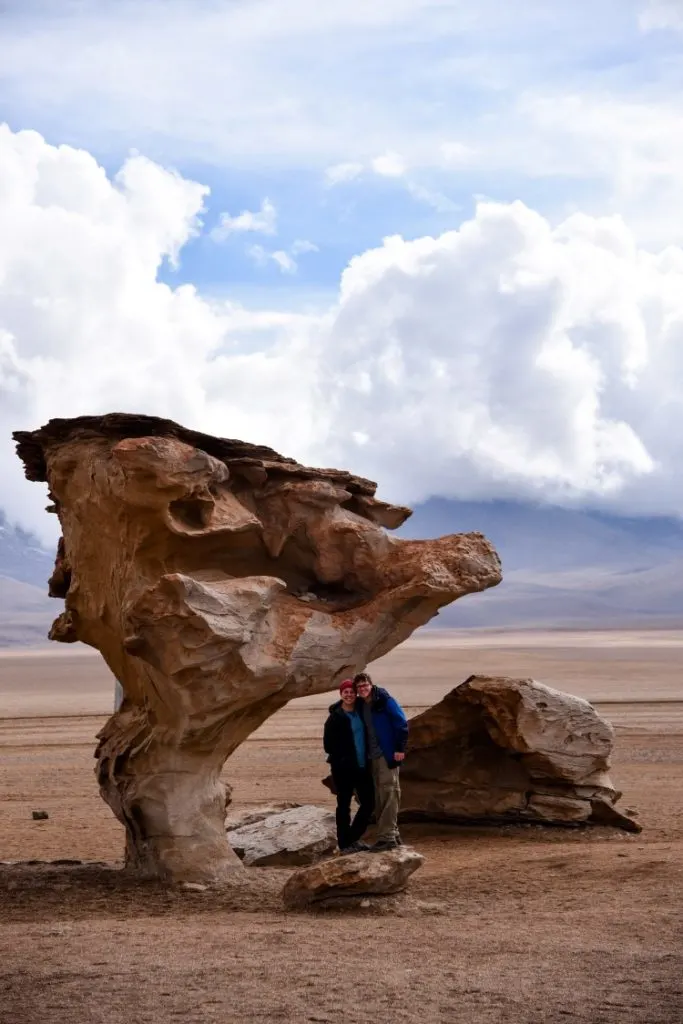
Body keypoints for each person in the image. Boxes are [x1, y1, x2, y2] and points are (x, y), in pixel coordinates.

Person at [353, 670, 408, 851]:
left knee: (389, 792)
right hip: (373, 756)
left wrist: (399, 749)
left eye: (365, 685)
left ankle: (387, 837)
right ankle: (393, 834)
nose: (363, 689)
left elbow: (401, 723)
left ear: (371, 684)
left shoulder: (384, 700)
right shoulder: (362, 705)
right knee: (380, 794)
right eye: (359, 687)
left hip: (387, 754)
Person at [323, 678, 375, 854]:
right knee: (343, 805)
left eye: (352, 692)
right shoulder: (335, 717)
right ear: (341, 694)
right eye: (346, 692)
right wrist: (344, 759)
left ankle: (352, 838)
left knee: (369, 802)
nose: (349, 695)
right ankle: (345, 844)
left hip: (362, 766)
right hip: (343, 769)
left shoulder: (361, 710)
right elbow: (328, 745)